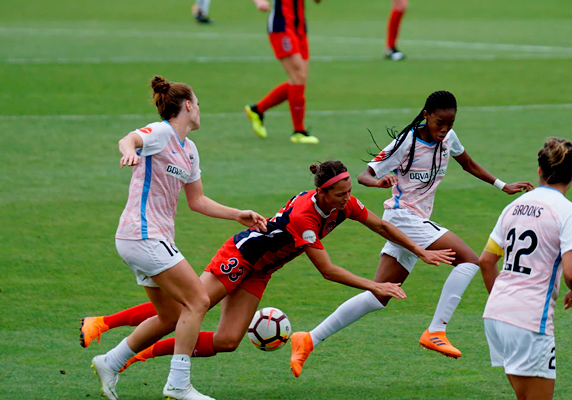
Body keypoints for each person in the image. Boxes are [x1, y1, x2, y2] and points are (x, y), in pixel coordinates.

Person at [81, 161, 455, 376]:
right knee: (186, 310)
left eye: (347, 193)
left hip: (260, 271)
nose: (347, 200)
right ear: (322, 192)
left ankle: (143, 352)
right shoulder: (306, 217)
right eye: (339, 194)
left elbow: (382, 226)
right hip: (240, 257)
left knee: (227, 341)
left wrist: (421, 251)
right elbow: (327, 270)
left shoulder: (344, 204)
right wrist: (375, 286)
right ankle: (104, 324)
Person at [288, 90, 535, 377]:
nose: (444, 130)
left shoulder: (448, 140)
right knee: (469, 260)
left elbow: (468, 164)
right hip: (402, 218)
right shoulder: (405, 142)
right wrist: (380, 182)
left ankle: (307, 339)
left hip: (416, 221)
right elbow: (364, 175)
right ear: (426, 115)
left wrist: (502, 185)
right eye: (439, 123)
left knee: (377, 297)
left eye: (450, 124)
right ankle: (436, 330)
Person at [89, 75, 269, 400]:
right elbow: (128, 139)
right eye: (198, 104)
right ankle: (178, 385)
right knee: (198, 300)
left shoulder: (190, 150)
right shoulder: (161, 133)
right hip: (142, 235)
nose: (200, 109)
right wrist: (130, 152)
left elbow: (197, 201)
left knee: (171, 316)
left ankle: (109, 362)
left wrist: (237, 214)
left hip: (147, 240)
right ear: (187, 105)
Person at [479, 138, 572, 400]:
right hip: (529, 321)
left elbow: (485, 261)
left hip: (496, 315)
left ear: (539, 171)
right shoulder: (569, 213)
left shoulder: (513, 206)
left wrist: (504, 300)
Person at [244, 0, 321, 144]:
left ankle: (257, 110)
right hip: (282, 26)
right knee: (298, 76)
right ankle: (299, 131)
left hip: (300, 27)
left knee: (299, 79)